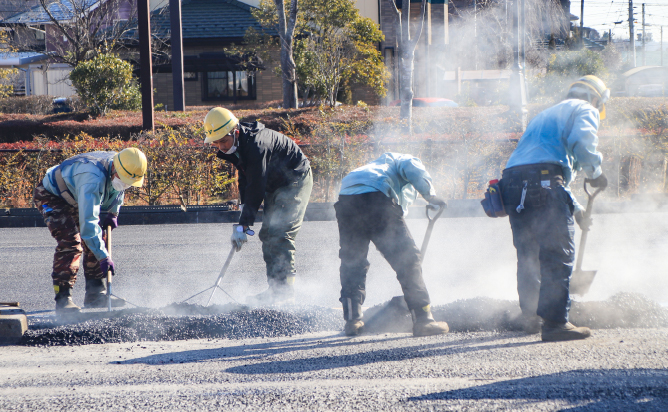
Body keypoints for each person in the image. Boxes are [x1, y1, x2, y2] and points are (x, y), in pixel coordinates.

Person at [500, 75, 609, 341]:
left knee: (528, 253)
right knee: (556, 253)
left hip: (512, 183)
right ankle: (555, 323)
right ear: (596, 99)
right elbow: (581, 142)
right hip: (544, 180)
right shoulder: (584, 109)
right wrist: (594, 172)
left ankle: (529, 317)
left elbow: (547, 170)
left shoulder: (543, 116)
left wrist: (576, 210)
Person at [203, 107, 313, 305]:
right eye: (216, 142)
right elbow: (245, 180)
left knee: (280, 232)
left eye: (223, 141)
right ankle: (275, 290)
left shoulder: (256, 145)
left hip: (295, 179)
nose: (221, 147)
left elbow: (256, 187)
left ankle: (286, 292)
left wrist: (243, 225)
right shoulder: (238, 145)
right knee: (267, 234)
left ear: (235, 132)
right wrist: (243, 219)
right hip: (274, 183)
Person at [334, 152, 450, 337]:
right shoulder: (401, 158)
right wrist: (431, 196)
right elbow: (413, 170)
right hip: (375, 199)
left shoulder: (372, 168)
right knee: (408, 259)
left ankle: (352, 321)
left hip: (346, 201)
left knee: (353, 261)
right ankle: (423, 319)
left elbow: (399, 206)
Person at [33, 148, 148, 313]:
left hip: (74, 195)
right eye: (123, 180)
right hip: (52, 195)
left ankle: (96, 294)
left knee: (98, 239)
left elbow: (119, 190)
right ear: (115, 169)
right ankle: (63, 298)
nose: (125, 185)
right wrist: (103, 258)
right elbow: (88, 227)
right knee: (71, 242)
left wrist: (113, 212)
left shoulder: (122, 164)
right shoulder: (92, 179)